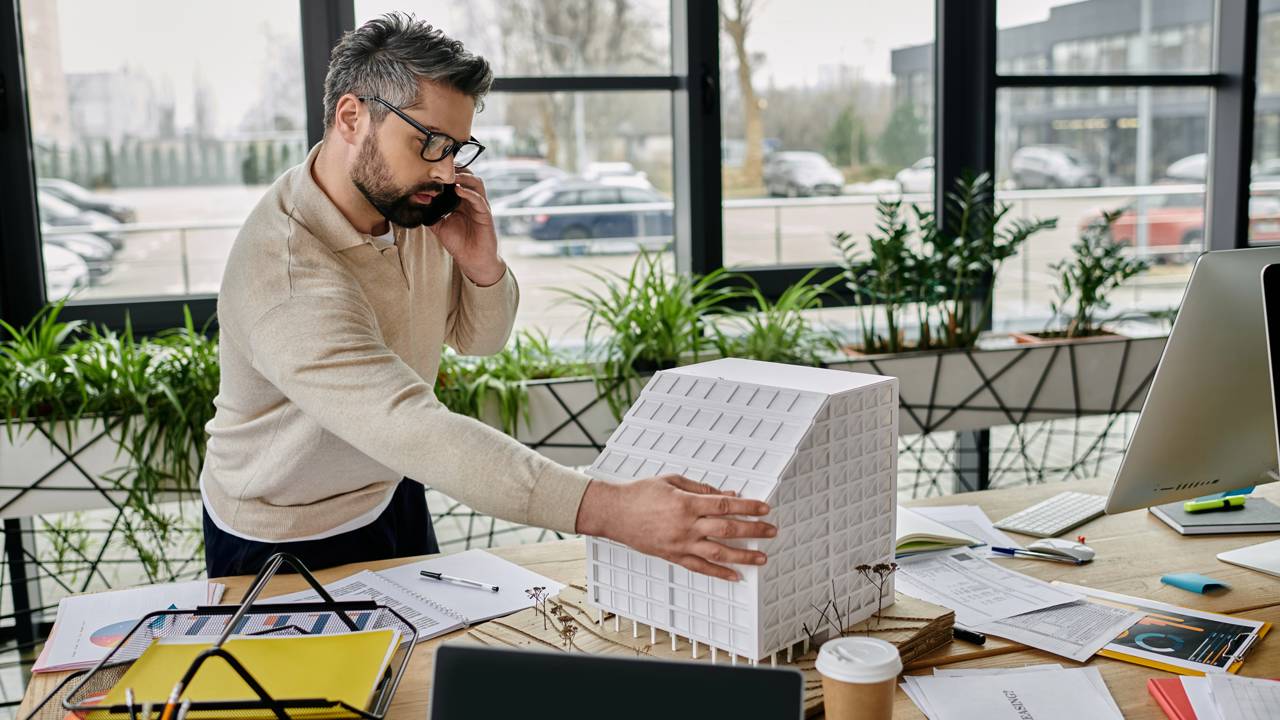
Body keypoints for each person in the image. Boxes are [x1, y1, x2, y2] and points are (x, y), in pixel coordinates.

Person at [199, 13, 775, 580]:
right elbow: (409, 425)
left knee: (413, 666)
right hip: (282, 532)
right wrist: (612, 509)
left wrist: (482, 266)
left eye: (457, 148)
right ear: (351, 117)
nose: (447, 173)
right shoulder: (286, 270)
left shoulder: (408, 207)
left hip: (389, 490)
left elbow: (480, 340)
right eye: (429, 143)